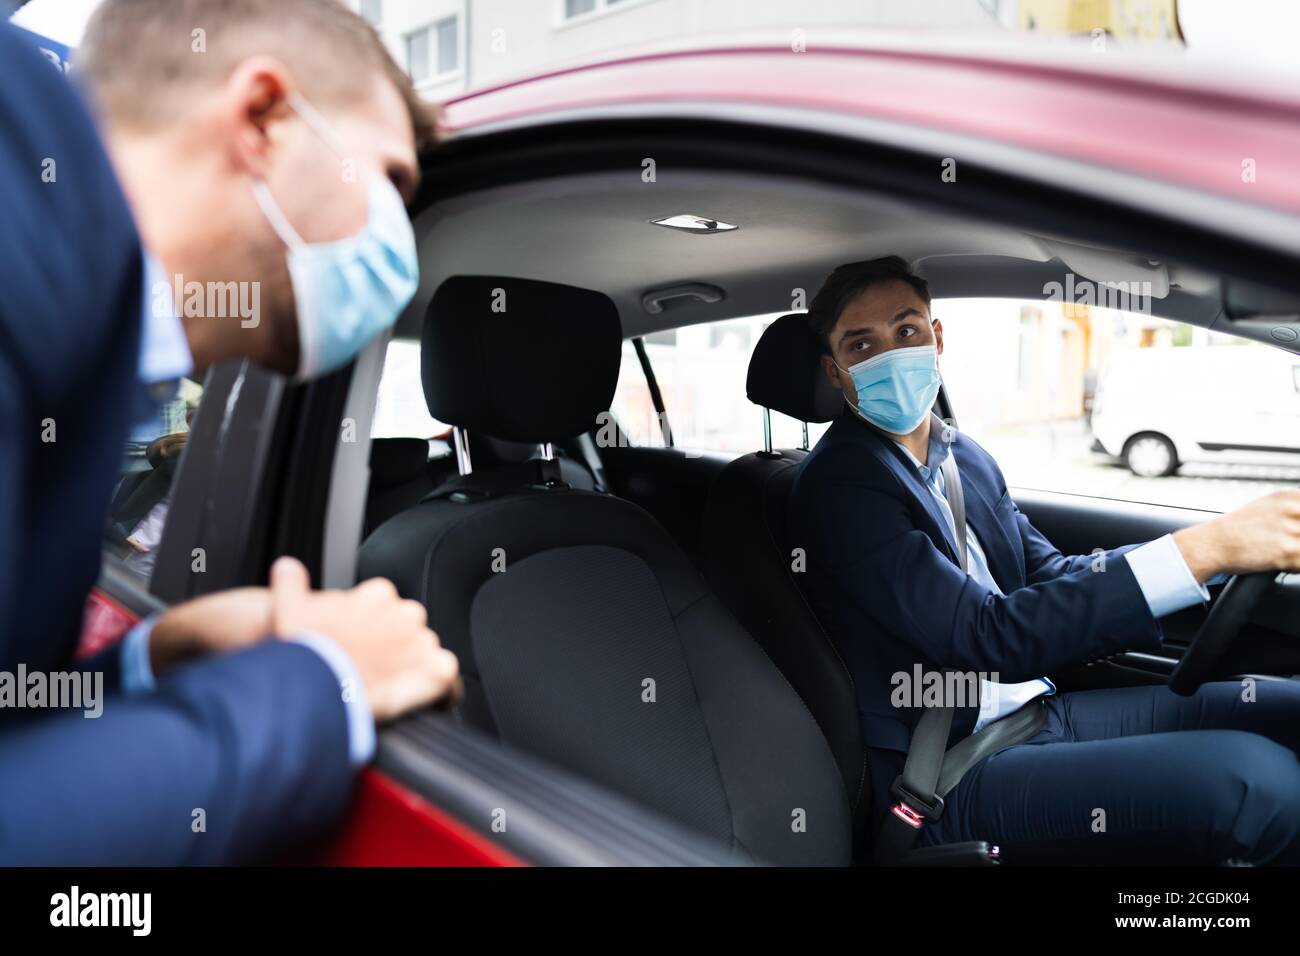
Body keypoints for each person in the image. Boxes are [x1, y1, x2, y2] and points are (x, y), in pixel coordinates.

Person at [0, 0, 459, 864]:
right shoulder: (21, 223)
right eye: (392, 184)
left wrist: (152, 660)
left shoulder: (85, 339)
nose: (400, 242)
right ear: (262, 119)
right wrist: (322, 684)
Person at [786, 256, 1300, 864]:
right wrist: (1205, 550)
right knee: (1260, 787)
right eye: (861, 344)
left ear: (937, 337)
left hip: (1037, 714)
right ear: (835, 370)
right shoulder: (840, 487)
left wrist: (1204, 553)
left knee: (1282, 708)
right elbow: (986, 635)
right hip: (948, 772)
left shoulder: (960, 457)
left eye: (905, 331)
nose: (890, 356)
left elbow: (1049, 575)